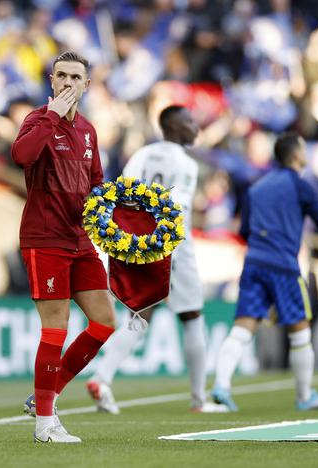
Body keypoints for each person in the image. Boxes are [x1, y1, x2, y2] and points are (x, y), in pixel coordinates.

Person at [85, 105, 227, 414]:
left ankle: (102, 377)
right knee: (192, 316)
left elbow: (124, 196)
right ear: (174, 127)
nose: (196, 127)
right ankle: (198, 400)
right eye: (189, 121)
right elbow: (179, 212)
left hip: (139, 243)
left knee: (140, 315)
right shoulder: (185, 164)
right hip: (174, 246)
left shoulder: (141, 156)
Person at [12, 51, 116, 444]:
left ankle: (46, 396)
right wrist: (52, 115)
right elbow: (21, 156)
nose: (69, 82)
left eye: (76, 76)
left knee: (104, 321)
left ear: (87, 85)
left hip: (80, 239)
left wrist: (116, 212)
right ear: (51, 81)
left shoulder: (88, 130)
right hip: (45, 239)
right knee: (56, 328)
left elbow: (96, 184)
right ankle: (44, 425)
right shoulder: (37, 121)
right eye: (62, 75)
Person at [211, 132, 318, 412]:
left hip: (254, 262)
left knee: (243, 328)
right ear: (295, 155)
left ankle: (221, 385)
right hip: (283, 265)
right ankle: (305, 396)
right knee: (300, 330)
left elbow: (244, 231)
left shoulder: (257, 187)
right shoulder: (301, 185)